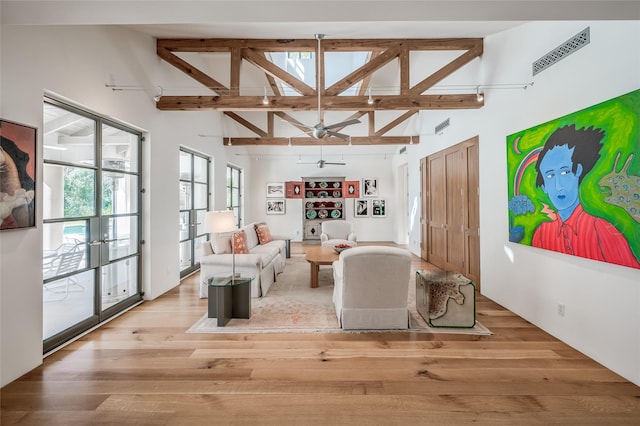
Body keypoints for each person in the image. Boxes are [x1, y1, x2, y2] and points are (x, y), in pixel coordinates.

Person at [531, 125, 640, 269]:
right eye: (550, 176)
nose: (558, 186)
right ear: (544, 186)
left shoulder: (602, 230)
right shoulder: (541, 233)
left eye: (564, 173)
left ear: (578, 171)